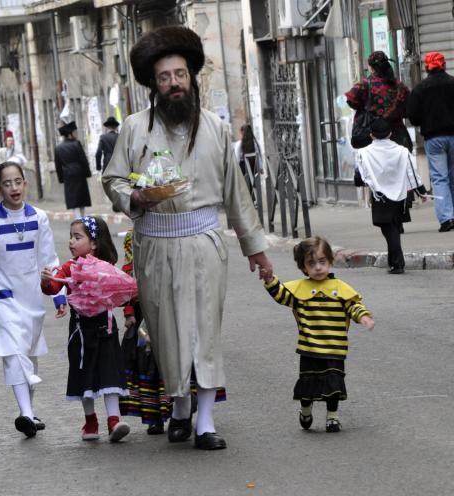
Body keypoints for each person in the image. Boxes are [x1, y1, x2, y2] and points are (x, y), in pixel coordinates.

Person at [102, 25, 273, 450]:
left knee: (204, 332)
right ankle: (179, 408)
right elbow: (113, 179)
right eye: (165, 77)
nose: (174, 83)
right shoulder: (134, 129)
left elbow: (237, 194)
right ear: (153, 85)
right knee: (165, 332)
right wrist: (134, 195)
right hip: (154, 244)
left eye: (179, 74)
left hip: (205, 243)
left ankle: (206, 422)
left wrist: (257, 250)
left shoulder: (215, 128)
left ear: (191, 77)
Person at [0, 160, 66, 438]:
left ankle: (29, 411)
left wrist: (59, 293)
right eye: (7, 183)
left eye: (18, 181)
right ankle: (25, 413)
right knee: (13, 354)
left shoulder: (39, 218)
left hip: (32, 297)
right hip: (4, 297)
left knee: (29, 355)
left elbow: (49, 259)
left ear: (25, 183)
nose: (14, 188)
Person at [262, 237, 375, 433]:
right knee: (308, 385)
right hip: (310, 348)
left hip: (335, 348)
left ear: (330, 261)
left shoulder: (340, 288)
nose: (318, 268)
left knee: (334, 383)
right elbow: (282, 295)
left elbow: (353, 305)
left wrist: (363, 316)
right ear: (303, 268)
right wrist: (270, 280)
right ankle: (306, 409)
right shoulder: (300, 290)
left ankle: (332, 417)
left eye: (322, 262)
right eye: (311, 263)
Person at [40, 216, 130, 442]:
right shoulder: (68, 267)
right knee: (84, 373)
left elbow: (121, 290)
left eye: (77, 237)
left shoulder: (105, 268)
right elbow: (53, 287)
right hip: (80, 330)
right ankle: (90, 421)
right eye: (71, 236)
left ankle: (114, 421)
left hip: (106, 327)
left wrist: (129, 313)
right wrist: (45, 280)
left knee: (109, 372)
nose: (71, 241)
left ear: (94, 243)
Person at [355, 118, 428, 274]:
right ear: (390, 134)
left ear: (371, 135)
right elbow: (411, 173)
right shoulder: (402, 151)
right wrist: (421, 191)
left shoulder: (363, 153)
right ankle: (394, 261)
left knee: (388, 228)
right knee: (393, 226)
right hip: (400, 195)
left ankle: (397, 262)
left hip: (379, 195)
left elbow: (361, 177)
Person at [117, 230, 171, 435]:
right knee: (148, 363)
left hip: (170, 305)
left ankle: (180, 410)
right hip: (143, 310)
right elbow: (128, 272)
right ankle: (154, 417)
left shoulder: (172, 231)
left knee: (172, 358)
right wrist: (129, 311)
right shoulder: (133, 237)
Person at [407, 51, 454, 233]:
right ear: (443, 65)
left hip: (434, 138)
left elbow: (413, 116)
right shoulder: (452, 83)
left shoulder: (420, 88)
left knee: (440, 178)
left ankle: (447, 219)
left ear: (427, 67)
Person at [345, 50, 412, 150]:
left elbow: (351, 99)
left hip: (371, 138)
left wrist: (364, 108)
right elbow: (407, 109)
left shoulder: (364, 85)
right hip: (396, 137)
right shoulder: (399, 86)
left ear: (371, 68)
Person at [54, 121, 92, 218]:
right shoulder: (76, 144)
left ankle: (78, 218)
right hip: (79, 172)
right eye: (74, 132)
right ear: (70, 133)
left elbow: (58, 166)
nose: (76, 134)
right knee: (81, 198)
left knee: (73, 199)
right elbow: (83, 159)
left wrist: (61, 178)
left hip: (68, 174)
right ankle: (83, 218)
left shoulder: (58, 148)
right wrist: (87, 173)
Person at [233, 125, 263, 207]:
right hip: (254, 166)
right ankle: (255, 200)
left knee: (245, 185)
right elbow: (259, 156)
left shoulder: (239, 144)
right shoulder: (255, 143)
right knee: (254, 184)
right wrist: (260, 168)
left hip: (243, 167)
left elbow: (237, 158)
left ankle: (247, 202)